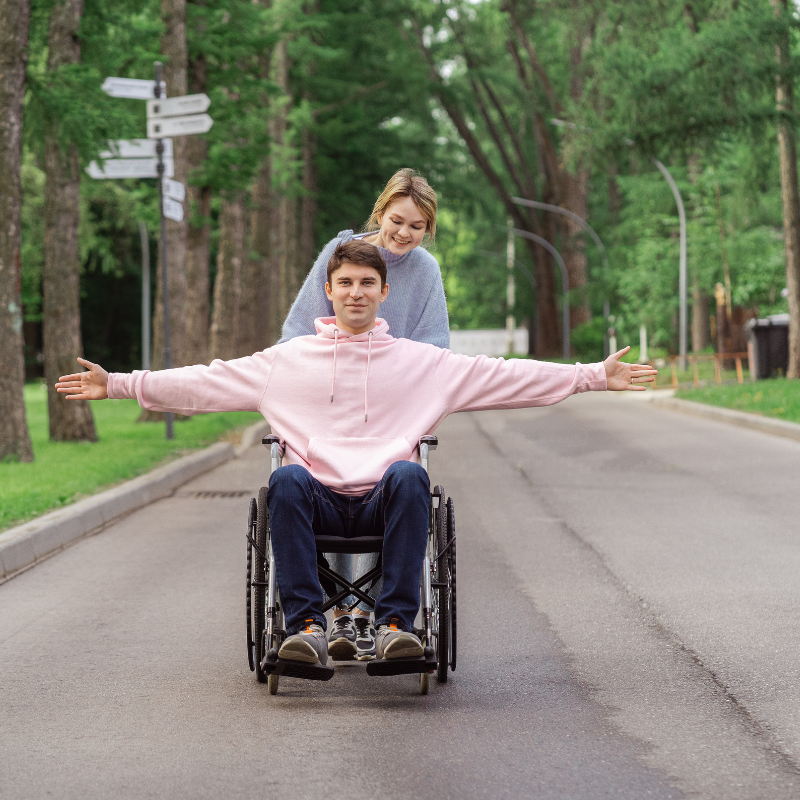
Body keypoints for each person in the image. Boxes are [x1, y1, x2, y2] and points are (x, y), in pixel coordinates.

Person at [56, 240, 656, 668]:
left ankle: (397, 625)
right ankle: (305, 628)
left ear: (384, 292)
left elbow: (502, 376)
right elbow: (205, 381)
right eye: (345, 282)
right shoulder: (285, 364)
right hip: (314, 503)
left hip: (384, 503)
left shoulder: (424, 365)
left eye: (368, 283)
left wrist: (591, 377)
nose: (356, 292)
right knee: (285, 481)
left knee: (409, 474)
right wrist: (121, 384)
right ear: (329, 291)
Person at [281, 168, 449, 662]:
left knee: (392, 471)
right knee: (322, 469)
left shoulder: (426, 272)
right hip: (329, 389)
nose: (404, 234)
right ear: (381, 213)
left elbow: (437, 343)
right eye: (397, 221)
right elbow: (295, 331)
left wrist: (401, 376)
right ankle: (333, 615)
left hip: (394, 395)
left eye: (417, 227)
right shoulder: (341, 257)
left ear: (427, 230)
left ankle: (376, 616)